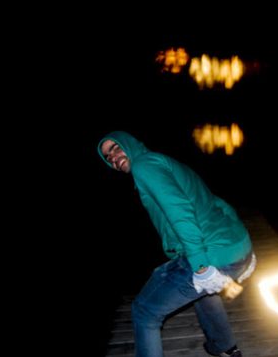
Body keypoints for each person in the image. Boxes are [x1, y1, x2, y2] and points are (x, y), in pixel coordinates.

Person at [98, 131, 256, 357]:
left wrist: (200, 266)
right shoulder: (164, 162)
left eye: (115, 148)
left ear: (130, 144)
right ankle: (224, 347)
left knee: (145, 311)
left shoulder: (144, 165)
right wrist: (243, 247)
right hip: (235, 250)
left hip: (210, 253)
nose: (113, 157)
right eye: (108, 157)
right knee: (203, 293)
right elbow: (218, 203)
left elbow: (179, 211)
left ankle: (222, 343)